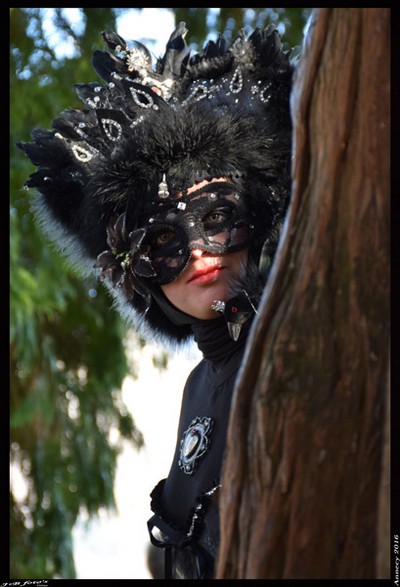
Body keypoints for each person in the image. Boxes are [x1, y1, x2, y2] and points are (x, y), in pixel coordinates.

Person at [18, 20, 293, 579]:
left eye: (218, 218)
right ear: (134, 275)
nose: (198, 252)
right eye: (162, 242)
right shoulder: (199, 385)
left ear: (257, 214)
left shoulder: (300, 343)